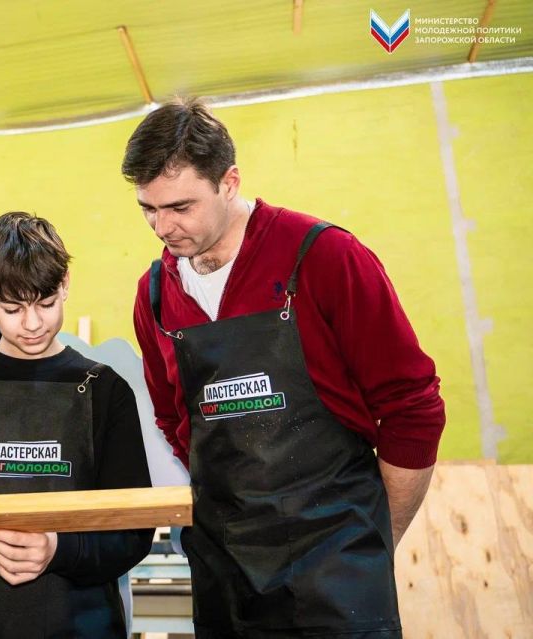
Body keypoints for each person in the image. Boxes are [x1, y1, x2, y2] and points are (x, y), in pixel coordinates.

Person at [124, 98, 445, 638]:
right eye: (148, 209)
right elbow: (174, 422)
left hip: (338, 571)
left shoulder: (324, 257)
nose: (163, 227)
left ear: (229, 182)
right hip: (227, 576)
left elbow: (413, 409)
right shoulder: (154, 295)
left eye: (180, 206)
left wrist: (373, 542)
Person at [0, 212, 153, 638]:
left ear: (65, 283)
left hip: (80, 623)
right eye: (13, 308)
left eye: (46, 303)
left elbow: (133, 530)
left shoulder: (105, 390)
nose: (33, 323)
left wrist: (61, 549)